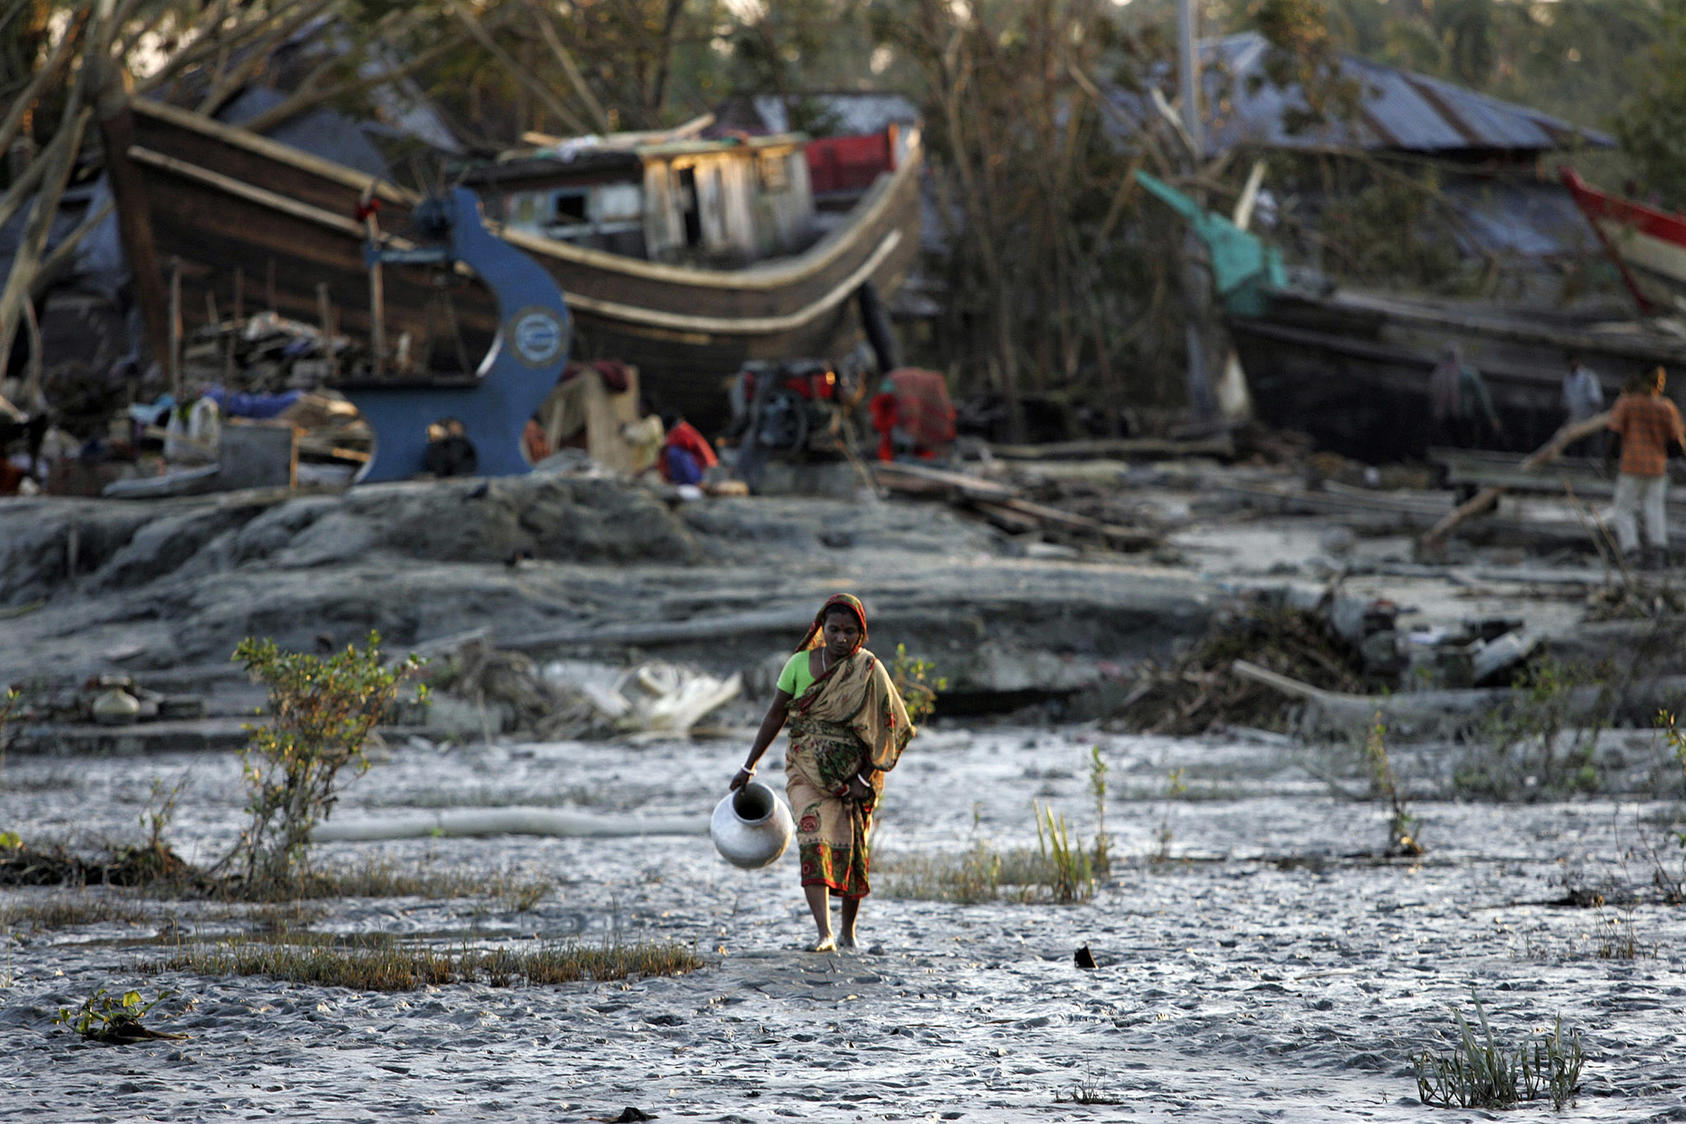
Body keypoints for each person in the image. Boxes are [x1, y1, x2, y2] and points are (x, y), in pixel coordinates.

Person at [729, 594, 916, 952]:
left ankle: (848, 932)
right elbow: (775, 715)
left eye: (849, 631)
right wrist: (748, 765)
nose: (841, 638)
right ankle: (824, 933)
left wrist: (863, 779)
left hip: (857, 778)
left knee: (852, 847)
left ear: (860, 633)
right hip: (806, 771)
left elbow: (891, 726)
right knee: (812, 838)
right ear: (822, 629)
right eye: (834, 630)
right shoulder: (798, 665)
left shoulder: (869, 670)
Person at [1605, 366, 1686, 569]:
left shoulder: (1627, 404)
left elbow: (1614, 435)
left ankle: (1631, 550)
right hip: (1656, 466)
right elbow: (1677, 444)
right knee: (1654, 508)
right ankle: (1658, 551)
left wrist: (1609, 460)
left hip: (1631, 464)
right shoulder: (1666, 408)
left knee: (1624, 509)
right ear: (1659, 383)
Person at [1428, 344, 1504, 449]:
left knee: (1450, 444)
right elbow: (1481, 397)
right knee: (1464, 444)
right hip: (1462, 416)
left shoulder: (1438, 374)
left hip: (1444, 417)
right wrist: (1491, 417)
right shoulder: (1466, 374)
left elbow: (1432, 397)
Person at [1560, 354, 1605, 458]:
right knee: (1574, 449)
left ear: (1578, 361)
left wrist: (1593, 419)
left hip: (1589, 419)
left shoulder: (1588, 377)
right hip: (1574, 420)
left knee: (1593, 449)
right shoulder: (1567, 378)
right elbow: (1566, 401)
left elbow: (1596, 399)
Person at [658, 411, 718, 486]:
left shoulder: (682, 430)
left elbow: (685, 444)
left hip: (705, 471)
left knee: (674, 452)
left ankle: (686, 482)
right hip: (703, 469)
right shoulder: (683, 428)